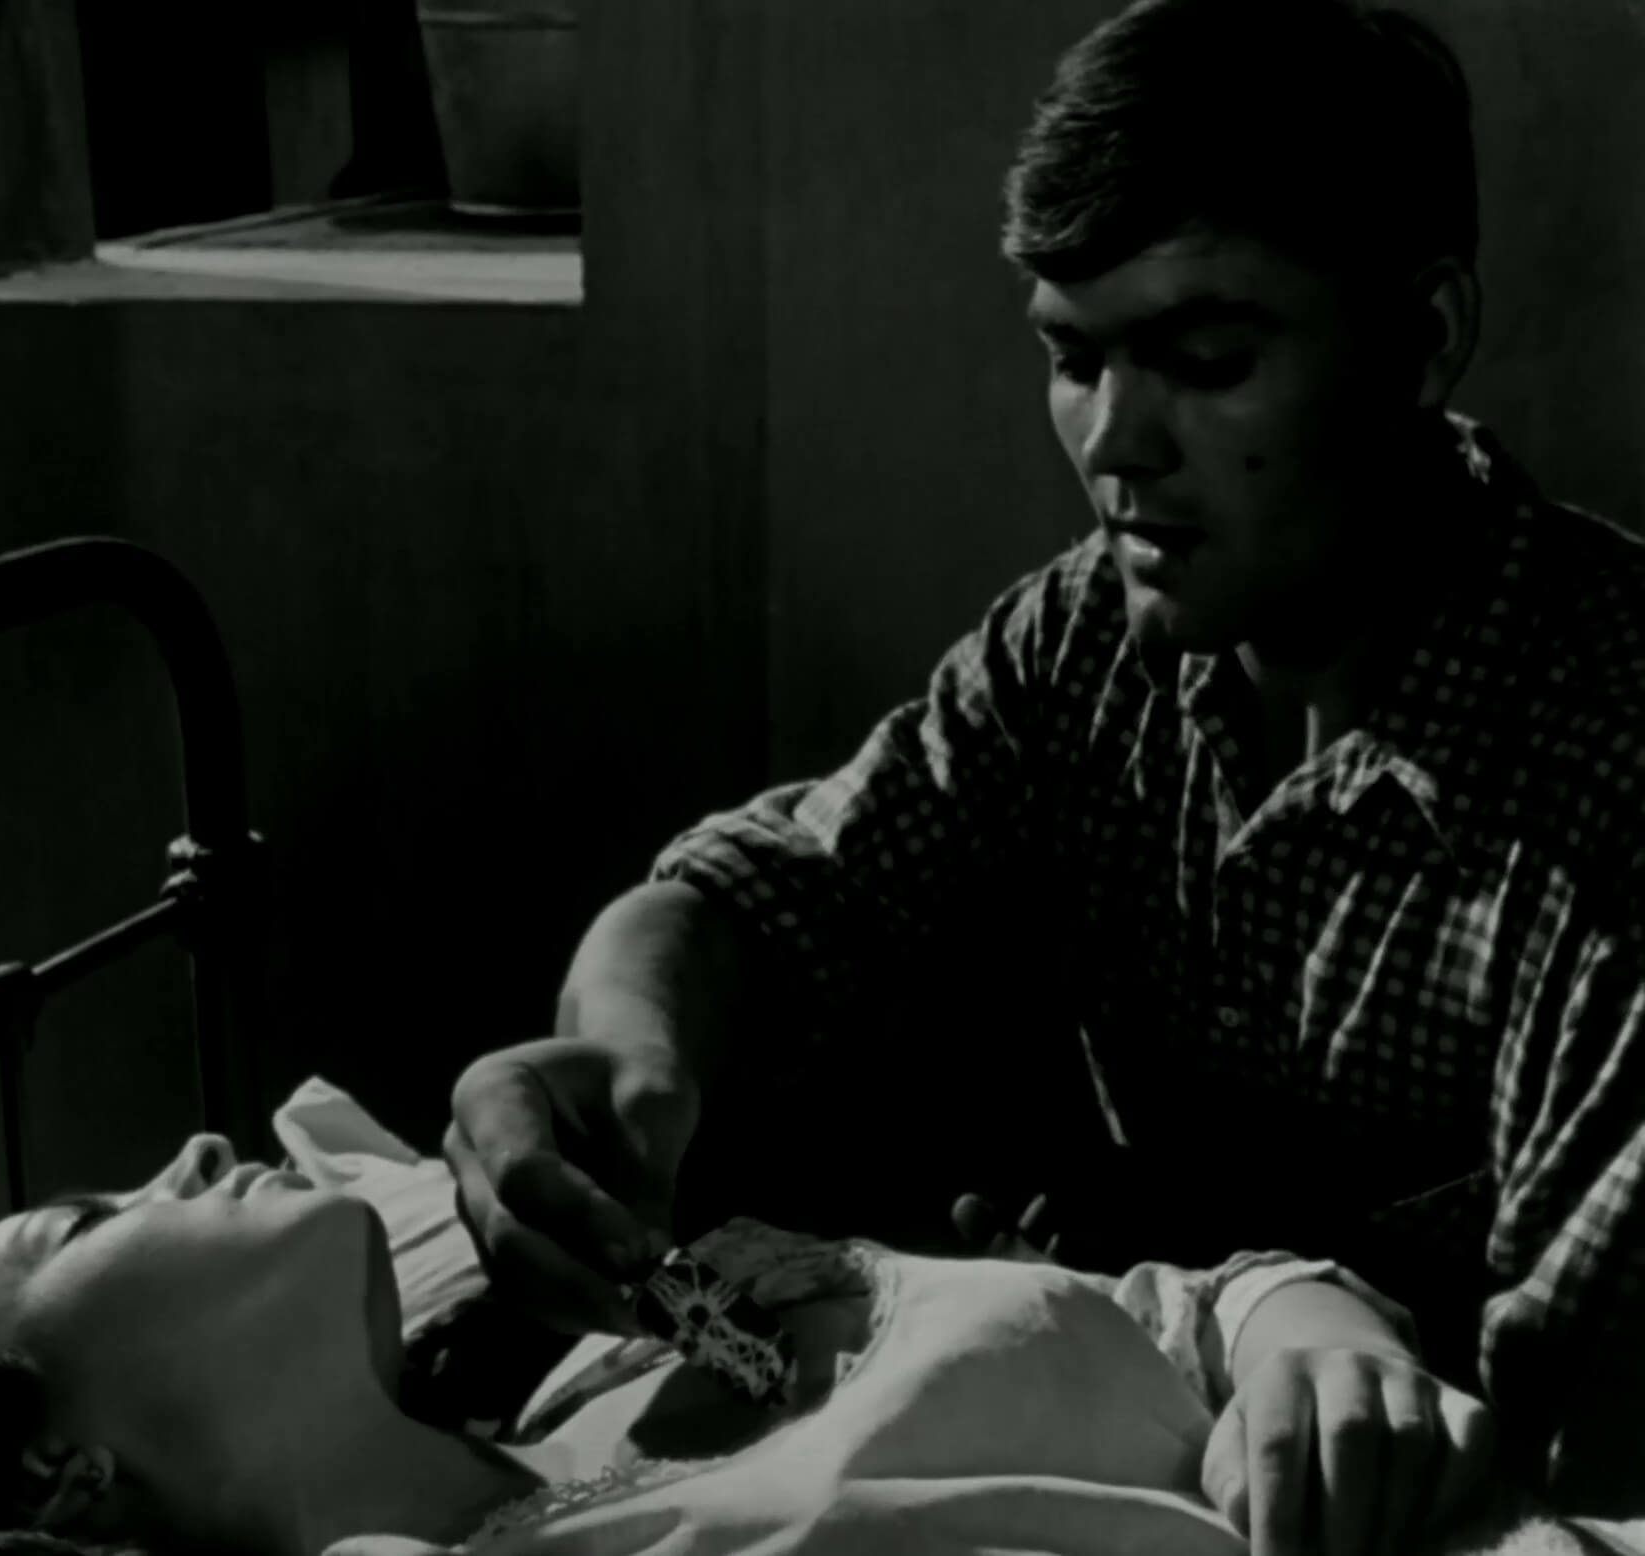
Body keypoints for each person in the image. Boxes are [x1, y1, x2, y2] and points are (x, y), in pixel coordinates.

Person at [443, 0, 1645, 1532]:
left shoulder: (1609, 791)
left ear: (1425, 337)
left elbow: (1580, 1470)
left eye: (1207, 359)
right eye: (1072, 356)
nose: (1115, 441)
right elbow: (762, 898)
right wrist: (626, 1051)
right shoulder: (1081, 644)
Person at [0, 1131, 1552, 1556]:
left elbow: (1175, 1300)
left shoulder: (645, 1343)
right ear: (62, 1480)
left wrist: (1302, 1323)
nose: (195, 1152)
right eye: (89, 1221)